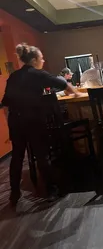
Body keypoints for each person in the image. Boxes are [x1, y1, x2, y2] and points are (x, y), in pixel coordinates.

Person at [1, 43, 81, 206]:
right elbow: (64, 84)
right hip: (33, 119)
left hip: (15, 120)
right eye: (41, 58)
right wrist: (77, 93)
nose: (43, 60)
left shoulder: (14, 76)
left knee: (17, 157)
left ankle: (14, 193)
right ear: (35, 59)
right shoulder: (38, 74)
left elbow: (6, 103)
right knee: (42, 155)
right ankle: (51, 191)